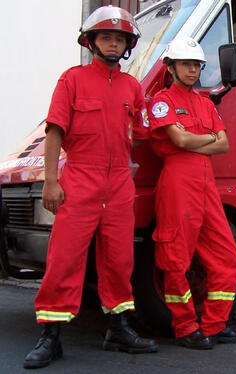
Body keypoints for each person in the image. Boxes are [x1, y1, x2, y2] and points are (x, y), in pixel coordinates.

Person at [23, 6, 158, 369]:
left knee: (119, 259)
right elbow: (54, 132)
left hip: (118, 186)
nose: (113, 43)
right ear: (92, 41)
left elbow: (143, 135)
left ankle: (118, 329)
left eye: (119, 39)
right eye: (106, 37)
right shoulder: (72, 79)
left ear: (127, 45)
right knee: (65, 259)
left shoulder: (133, 87)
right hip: (80, 178)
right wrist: (51, 181)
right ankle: (50, 336)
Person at [148, 36, 236, 350]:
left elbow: (225, 144)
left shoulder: (204, 102)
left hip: (206, 186)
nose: (192, 70)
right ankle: (186, 327)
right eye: (186, 64)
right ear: (171, 67)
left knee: (228, 259)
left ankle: (214, 324)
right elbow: (181, 143)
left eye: (196, 65)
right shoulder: (162, 101)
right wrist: (206, 140)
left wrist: (193, 138)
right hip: (178, 183)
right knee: (176, 260)